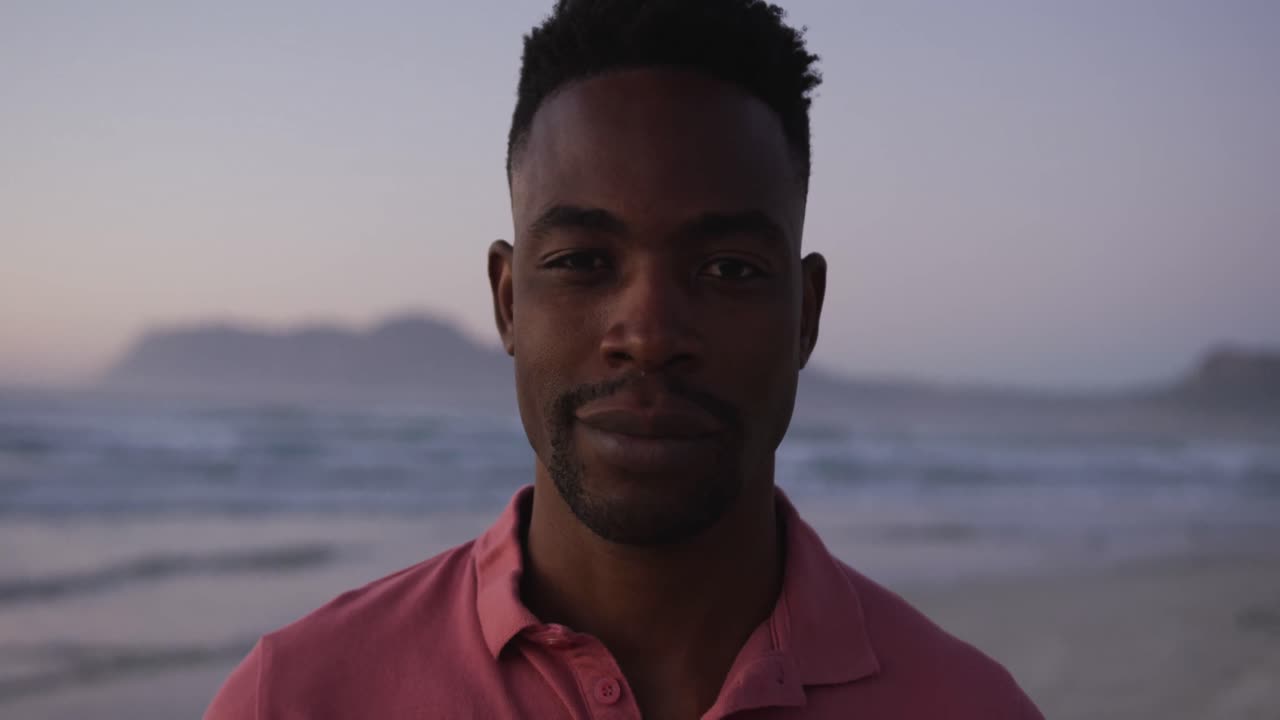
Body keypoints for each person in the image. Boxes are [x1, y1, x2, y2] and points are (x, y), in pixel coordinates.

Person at [206, 1, 1043, 717]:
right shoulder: (299, 698)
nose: (647, 332)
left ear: (806, 315)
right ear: (506, 301)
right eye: (582, 262)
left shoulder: (969, 705)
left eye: (727, 270)